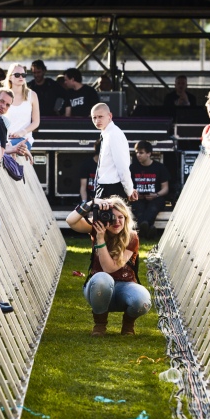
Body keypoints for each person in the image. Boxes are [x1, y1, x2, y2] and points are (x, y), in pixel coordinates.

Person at [65, 196, 151, 336]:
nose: (116, 222)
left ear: (126, 218)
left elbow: (110, 268)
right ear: (103, 218)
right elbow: (70, 220)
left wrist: (100, 240)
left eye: (120, 217)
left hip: (124, 287)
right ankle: (100, 324)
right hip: (98, 288)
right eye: (111, 217)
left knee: (142, 301)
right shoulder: (97, 228)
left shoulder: (131, 237)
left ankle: (128, 324)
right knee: (103, 279)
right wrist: (92, 203)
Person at [91, 103, 136, 201]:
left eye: (100, 117)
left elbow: (122, 166)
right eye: (94, 117)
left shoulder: (114, 135)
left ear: (109, 116)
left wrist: (129, 190)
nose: (97, 120)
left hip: (113, 188)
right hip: (105, 186)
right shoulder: (107, 133)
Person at [129, 141, 170, 239]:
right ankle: (148, 229)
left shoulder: (159, 168)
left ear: (149, 154)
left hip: (155, 197)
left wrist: (156, 195)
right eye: (137, 152)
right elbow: (128, 186)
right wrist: (134, 193)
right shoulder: (133, 168)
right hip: (138, 198)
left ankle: (143, 228)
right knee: (138, 207)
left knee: (154, 207)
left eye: (141, 153)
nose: (138, 155)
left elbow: (165, 188)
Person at [3, 62, 40, 150]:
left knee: (10, 147)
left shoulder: (32, 95)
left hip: (24, 139)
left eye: (23, 75)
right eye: (17, 75)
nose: (21, 77)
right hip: (5, 139)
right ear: (10, 77)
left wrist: (22, 132)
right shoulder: (3, 95)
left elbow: (36, 122)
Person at [79, 138, 101, 203]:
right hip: (90, 200)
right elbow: (83, 188)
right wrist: (84, 203)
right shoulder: (86, 165)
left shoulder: (109, 166)